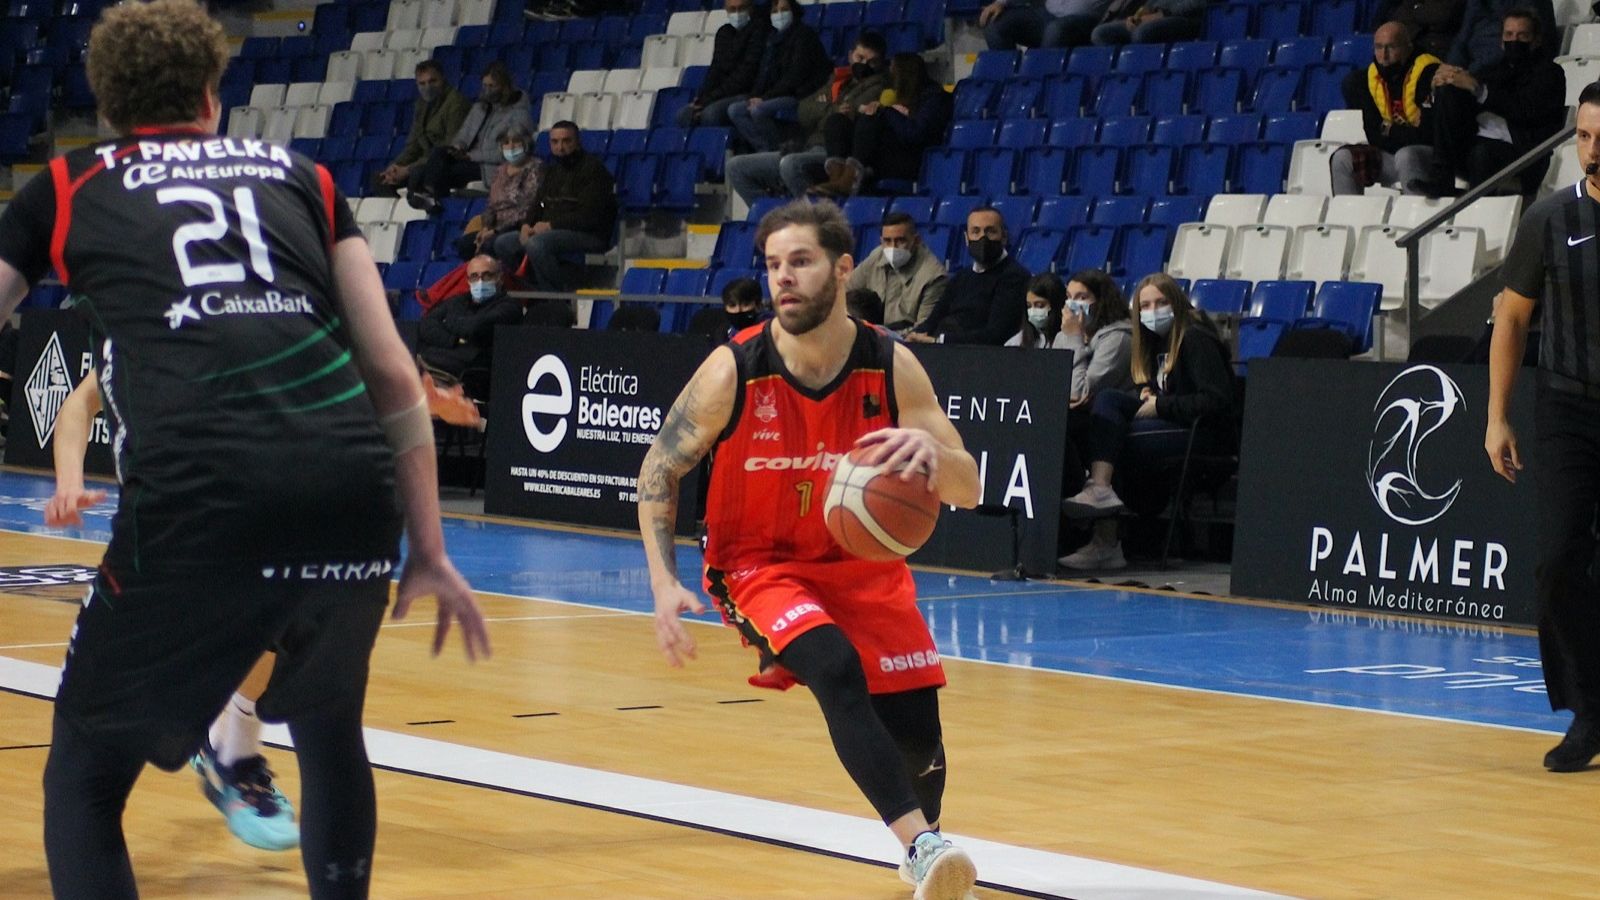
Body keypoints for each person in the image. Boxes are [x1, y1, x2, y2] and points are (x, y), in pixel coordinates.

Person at [0, 3, 491, 897]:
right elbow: (389, 375)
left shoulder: (69, 185)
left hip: (203, 498)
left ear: (107, 103)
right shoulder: (305, 176)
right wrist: (430, 547)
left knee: (85, 775)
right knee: (334, 731)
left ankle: (227, 752)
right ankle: (246, 762)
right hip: (352, 491)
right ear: (212, 93)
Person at [637, 199, 981, 900]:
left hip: (865, 567)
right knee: (835, 667)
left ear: (843, 268)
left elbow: (969, 488)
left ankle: (924, 841)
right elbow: (658, 469)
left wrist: (932, 455)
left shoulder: (891, 363)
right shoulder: (735, 367)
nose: (783, 279)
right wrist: (662, 582)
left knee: (917, 734)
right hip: (759, 565)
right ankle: (922, 845)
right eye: (772, 266)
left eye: (801, 261)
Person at [46, 369, 300, 852]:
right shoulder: (136, 328)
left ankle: (234, 755)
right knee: (90, 753)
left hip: (237, 513)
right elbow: (79, 405)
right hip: (152, 539)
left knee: (288, 610)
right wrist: (68, 483)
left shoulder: (242, 328)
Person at [1485, 83, 1600, 773]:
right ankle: (1590, 710)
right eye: (1584, 135)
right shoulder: (1551, 218)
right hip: (1567, 408)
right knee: (1557, 562)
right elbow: (1512, 319)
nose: (1593, 149)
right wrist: (1497, 417)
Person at [1060, 274, 1233, 570]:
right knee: (1109, 403)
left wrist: (1161, 404)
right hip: (1174, 419)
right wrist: (1153, 392)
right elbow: (1172, 387)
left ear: (1177, 303)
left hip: (1204, 432)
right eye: (1146, 305)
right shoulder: (1156, 342)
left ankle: (1107, 542)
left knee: (1113, 442)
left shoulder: (1194, 338)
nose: (1153, 311)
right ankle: (1099, 488)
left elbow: (1217, 400)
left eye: (1161, 303)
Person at [1409, 8, 1565, 198]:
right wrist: (1441, 89)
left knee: (1482, 153)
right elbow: (1460, 108)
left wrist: (1478, 90)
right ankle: (1442, 181)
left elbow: (1526, 110)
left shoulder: (1550, 73)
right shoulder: (1492, 70)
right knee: (1450, 91)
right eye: (1509, 34)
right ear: (1501, 41)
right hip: (1476, 141)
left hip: (1523, 150)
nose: (1514, 41)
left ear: (1536, 40)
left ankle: (1477, 212)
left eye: (1522, 35)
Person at [725, 31, 890, 205]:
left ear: (880, 64)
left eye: (871, 62)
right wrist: (832, 108)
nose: (864, 65)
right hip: (807, 147)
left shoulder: (878, 86)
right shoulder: (836, 79)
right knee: (735, 167)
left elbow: (843, 118)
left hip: (836, 153)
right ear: (850, 56)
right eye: (860, 58)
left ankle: (815, 221)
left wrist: (824, 107)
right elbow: (803, 111)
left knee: (790, 164)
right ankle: (774, 219)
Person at [808, 52, 954, 198]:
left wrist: (886, 111)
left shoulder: (934, 99)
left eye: (893, 71)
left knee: (871, 120)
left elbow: (914, 133)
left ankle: (849, 180)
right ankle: (837, 178)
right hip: (883, 152)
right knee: (837, 121)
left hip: (911, 160)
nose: (889, 75)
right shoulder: (895, 94)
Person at [1331, 21, 1442, 196]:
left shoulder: (1429, 73)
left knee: (1406, 155)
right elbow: (1373, 135)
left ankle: (1417, 220)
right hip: (1392, 154)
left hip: (1430, 157)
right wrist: (1403, 132)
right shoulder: (1367, 79)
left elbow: (1430, 135)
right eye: (1379, 47)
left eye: (1391, 47)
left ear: (1408, 47)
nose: (1384, 55)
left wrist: (1388, 129)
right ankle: (1349, 219)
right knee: (1343, 159)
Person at [407, 61, 534, 212]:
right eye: (485, 85)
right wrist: (458, 147)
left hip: (491, 167)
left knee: (437, 173)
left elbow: (510, 154)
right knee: (431, 160)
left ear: (504, 87)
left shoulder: (519, 115)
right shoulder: (480, 107)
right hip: (469, 159)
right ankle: (429, 197)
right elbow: (463, 135)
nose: (487, 90)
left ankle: (433, 199)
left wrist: (472, 156)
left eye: (492, 86)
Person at [512, 120, 617, 293]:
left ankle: (558, 296)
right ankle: (536, 290)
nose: (560, 147)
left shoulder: (594, 170)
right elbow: (538, 203)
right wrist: (526, 225)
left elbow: (589, 216)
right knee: (504, 243)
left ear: (577, 142)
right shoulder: (552, 171)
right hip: (551, 231)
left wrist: (550, 226)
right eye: (555, 142)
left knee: (537, 244)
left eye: (566, 141)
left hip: (589, 234)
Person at [1056, 269, 1135, 498]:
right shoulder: (1066, 334)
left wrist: (1073, 339)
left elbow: (1078, 392)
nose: (1073, 304)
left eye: (1082, 297)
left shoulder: (1119, 338)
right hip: (1074, 415)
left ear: (1101, 301)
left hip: (1105, 421)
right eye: (1069, 297)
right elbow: (1054, 386)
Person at [908, 206, 1028, 346]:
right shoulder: (961, 277)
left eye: (990, 231)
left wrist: (940, 341)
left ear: (1004, 237)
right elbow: (932, 321)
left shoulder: (1014, 277)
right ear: (966, 238)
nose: (983, 238)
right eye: (976, 231)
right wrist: (913, 337)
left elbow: (995, 335)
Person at [726, 0, 833, 154]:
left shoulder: (804, 36)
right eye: (775, 11)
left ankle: (776, 151)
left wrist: (765, 98)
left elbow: (795, 77)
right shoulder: (772, 39)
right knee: (735, 110)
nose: (779, 14)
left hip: (801, 93)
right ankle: (764, 149)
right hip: (776, 93)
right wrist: (754, 96)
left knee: (758, 110)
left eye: (783, 9)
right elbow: (764, 73)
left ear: (793, 11)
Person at [417, 255, 524, 399]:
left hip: (478, 372)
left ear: (499, 278)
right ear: (468, 280)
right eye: (474, 276)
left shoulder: (510, 306)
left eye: (487, 276)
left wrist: (448, 321)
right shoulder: (458, 301)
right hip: (442, 362)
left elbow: (475, 328)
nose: (480, 282)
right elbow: (426, 324)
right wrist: (454, 340)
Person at [371, 60, 470, 198]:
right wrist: (395, 167)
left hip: (447, 163)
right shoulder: (421, 105)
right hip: (424, 163)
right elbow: (413, 145)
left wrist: (408, 169)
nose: (427, 87)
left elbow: (450, 149)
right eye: (422, 83)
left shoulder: (456, 103)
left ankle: (424, 214)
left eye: (432, 81)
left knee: (417, 175)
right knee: (380, 179)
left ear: (443, 79)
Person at [676, 0, 771, 128]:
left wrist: (710, 99)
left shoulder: (759, 30)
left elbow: (746, 74)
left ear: (750, 8)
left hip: (747, 92)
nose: (737, 13)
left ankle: (728, 146)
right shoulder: (724, 32)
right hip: (721, 94)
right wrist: (701, 99)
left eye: (741, 8)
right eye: (732, 9)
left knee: (711, 114)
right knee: (684, 114)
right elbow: (715, 69)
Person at [848, 212, 947, 334]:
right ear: (881, 241)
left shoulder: (933, 276)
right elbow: (844, 290)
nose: (893, 247)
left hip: (908, 345)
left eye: (900, 240)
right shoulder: (877, 256)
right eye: (887, 241)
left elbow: (923, 330)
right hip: (873, 338)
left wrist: (879, 336)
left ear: (916, 240)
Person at [453, 125, 541, 261]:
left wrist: (494, 232)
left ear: (526, 143)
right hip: (494, 227)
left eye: (516, 141)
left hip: (519, 226)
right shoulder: (500, 170)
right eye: (506, 143)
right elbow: (491, 205)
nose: (511, 147)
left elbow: (527, 208)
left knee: (489, 245)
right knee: (465, 244)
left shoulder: (535, 168)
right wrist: (486, 228)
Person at [1447, 0, 1554, 73]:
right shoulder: (1477, 3)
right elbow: (1461, 40)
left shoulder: (1530, 4)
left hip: (1501, 73)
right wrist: (1451, 69)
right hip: (1469, 68)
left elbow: (1517, 44)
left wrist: (1471, 72)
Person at [977, 0, 1115, 50]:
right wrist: (1002, 2)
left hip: (1088, 21)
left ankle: (1040, 88)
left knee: (1055, 30)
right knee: (995, 22)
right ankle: (1006, 88)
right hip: (1048, 14)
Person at [1089, 0, 1207, 45]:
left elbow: (1199, 3)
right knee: (1101, 34)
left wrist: (1163, 14)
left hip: (1187, 18)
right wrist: (1139, 15)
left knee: (1142, 33)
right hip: (1156, 14)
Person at [1376, 0, 1467, 58]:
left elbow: (1441, 15)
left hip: (1439, 49)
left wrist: (1415, 8)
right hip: (1411, 45)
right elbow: (1399, 18)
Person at [690, 275, 768, 341]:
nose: (738, 310)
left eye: (746, 305)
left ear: (758, 306)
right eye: (732, 305)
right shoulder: (722, 334)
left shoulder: (770, 333)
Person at [1005, 272, 1072, 349]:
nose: (1033, 311)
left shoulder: (1069, 339)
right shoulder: (1017, 342)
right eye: (1029, 306)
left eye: (1040, 305)